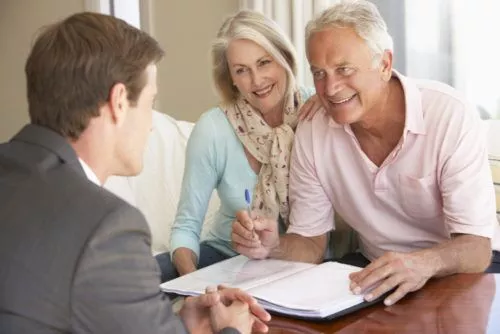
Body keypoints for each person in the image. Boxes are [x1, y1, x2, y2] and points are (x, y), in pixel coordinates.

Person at [0, 12, 270, 334]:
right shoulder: (107, 229)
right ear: (118, 102)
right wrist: (230, 330)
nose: (152, 123)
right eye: (149, 103)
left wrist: (178, 326)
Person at [232, 0, 500, 307]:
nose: (330, 88)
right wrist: (274, 246)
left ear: (384, 64)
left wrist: (422, 264)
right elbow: (310, 243)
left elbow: (477, 248)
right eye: (319, 73)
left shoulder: (448, 114)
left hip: (465, 271)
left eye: (344, 69)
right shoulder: (313, 128)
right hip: (374, 270)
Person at [155, 10, 321, 282]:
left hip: (301, 257)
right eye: (241, 70)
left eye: (264, 62)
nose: (257, 81)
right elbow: (186, 227)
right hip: (228, 256)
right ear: (230, 77)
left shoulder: (317, 110)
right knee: (140, 276)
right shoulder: (213, 128)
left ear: (284, 58)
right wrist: (196, 287)